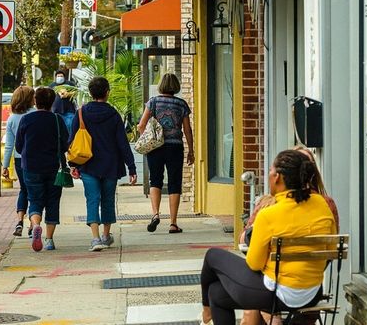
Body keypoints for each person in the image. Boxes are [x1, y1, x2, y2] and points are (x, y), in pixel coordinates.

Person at [198, 150, 336, 325]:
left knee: (213, 256)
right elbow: (329, 252)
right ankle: (209, 307)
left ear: (277, 177)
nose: (269, 175)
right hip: (312, 293)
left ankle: (206, 311)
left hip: (278, 293)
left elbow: (254, 264)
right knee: (216, 293)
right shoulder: (322, 205)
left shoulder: (269, 215)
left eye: (270, 171)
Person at [237, 146, 339, 325]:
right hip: (312, 286)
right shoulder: (325, 204)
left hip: (278, 285)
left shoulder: (269, 207)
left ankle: (273, 320)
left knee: (249, 296)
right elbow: (330, 250)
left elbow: (248, 249)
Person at [68, 77, 138, 252]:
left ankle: (95, 238)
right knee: (107, 200)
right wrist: (132, 167)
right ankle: (107, 236)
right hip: (110, 165)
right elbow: (122, 143)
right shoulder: (114, 115)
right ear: (107, 92)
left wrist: (73, 165)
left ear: (91, 93)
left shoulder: (81, 113)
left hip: (88, 165)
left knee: (92, 199)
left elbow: (72, 141)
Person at [137, 73, 194, 233]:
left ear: (161, 85)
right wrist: (191, 150)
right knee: (175, 182)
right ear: (176, 86)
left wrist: (147, 140)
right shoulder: (181, 104)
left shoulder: (153, 102)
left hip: (156, 147)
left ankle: (155, 214)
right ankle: (173, 223)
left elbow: (141, 125)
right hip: (175, 146)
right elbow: (187, 130)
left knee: (156, 180)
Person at [15, 87, 69, 252]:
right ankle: (49, 240)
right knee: (53, 201)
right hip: (54, 167)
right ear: (52, 102)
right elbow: (65, 144)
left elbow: (18, 145)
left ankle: (36, 225)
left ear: (35, 101)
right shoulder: (57, 120)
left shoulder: (26, 120)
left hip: (31, 167)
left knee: (35, 200)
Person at [2, 86, 35, 238]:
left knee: (24, 189)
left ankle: (20, 221)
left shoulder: (12, 119)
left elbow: (9, 145)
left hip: (18, 158)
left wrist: (5, 166)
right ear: (29, 99)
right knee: (35, 190)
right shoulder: (36, 114)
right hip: (35, 157)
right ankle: (34, 224)